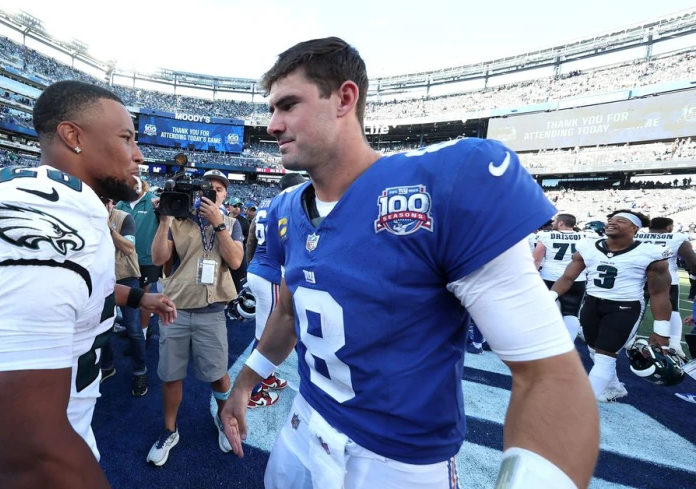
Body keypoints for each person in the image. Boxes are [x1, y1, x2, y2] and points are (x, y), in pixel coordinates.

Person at [221, 37, 599, 489]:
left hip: (395, 465)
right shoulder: (286, 208)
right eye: (271, 110)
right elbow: (288, 310)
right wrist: (246, 381)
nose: (272, 125)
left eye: (287, 106)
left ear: (344, 98)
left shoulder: (444, 184)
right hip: (303, 425)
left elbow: (548, 376)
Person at [0, 80, 176, 489]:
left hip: (33, 437)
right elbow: (26, 445)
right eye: (126, 138)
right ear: (73, 135)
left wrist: (138, 297)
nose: (138, 154)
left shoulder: (71, 203)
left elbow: (68, 291)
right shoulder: (45, 206)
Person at [147, 169, 244, 466]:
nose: (213, 191)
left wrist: (218, 225)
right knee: (171, 374)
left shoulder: (232, 223)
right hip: (176, 308)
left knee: (218, 373)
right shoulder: (178, 221)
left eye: (219, 188)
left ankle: (224, 419)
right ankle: (169, 429)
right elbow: (158, 259)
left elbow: (236, 260)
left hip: (212, 311)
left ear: (224, 195)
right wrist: (164, 220)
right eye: (208, 187)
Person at [551, 209, 674, 403]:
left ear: (634, 228)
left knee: (606, 355)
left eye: (620, 221)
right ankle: (615, 387)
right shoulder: (588, 246)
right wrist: (550, 297)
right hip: (591, 303)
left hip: (625, 307)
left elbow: (659, 293)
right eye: (611, 219)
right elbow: (568, 277)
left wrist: (662, 331)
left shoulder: (650, 252)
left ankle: (579, 406)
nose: (612, 222)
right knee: (593, 350)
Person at [243, 172, 306, 408]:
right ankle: (253, 391)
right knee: (267, 335)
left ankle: (265, 376)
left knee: (268, 329)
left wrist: (253, 269)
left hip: (259, 269)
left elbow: (251, 240)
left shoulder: (265, 203)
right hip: (271, 274)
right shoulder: (291, 204)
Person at [98, 197, 148, 397]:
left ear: (111, 203)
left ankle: (140, 371)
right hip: (101, 278)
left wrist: (107, 229)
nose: (102, 205)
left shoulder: (124, 217)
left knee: (134, 329)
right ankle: (107, 366)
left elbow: (128, 247)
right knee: (102, 328)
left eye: (104, 201)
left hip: (126, 277)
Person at [635, 216, 696, 356]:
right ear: (668, 227)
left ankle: (629, 339)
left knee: (637, 306)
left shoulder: (637, 236)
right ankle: (674, 344)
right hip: (667, 278)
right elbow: (692, 261)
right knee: (673, 309)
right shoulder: (677, 238)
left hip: (639, 277)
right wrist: (693, 275)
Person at [116, 179, 161, 346]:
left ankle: (141, 334)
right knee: (129, 295)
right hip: (126, 259)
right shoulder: (122, 203)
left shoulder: (154, 201)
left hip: (146, 258)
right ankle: (133, 329)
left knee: (144, 295)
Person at [533, 213, 587, 341]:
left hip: (550, 277)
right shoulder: (585, 236)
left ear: (561, 223)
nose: (553, 223)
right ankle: (567, 346)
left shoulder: (545, 235)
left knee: (543, 309)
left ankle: (540, 340)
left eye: (555, 221)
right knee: (571, 313)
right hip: (576, 278)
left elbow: (536, 260)